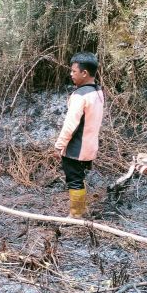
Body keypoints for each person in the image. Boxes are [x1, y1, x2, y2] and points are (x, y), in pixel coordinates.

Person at [54, 52, 105, 218]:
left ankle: (76, 215)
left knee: (74, 180)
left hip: (76, 148)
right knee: (79, 177)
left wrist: (59, 145)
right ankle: (81, 210)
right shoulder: (97, 91)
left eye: (73, 71)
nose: (71, 74)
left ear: (84, 73)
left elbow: (70, 125)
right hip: (90, 146)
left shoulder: (79, 96)